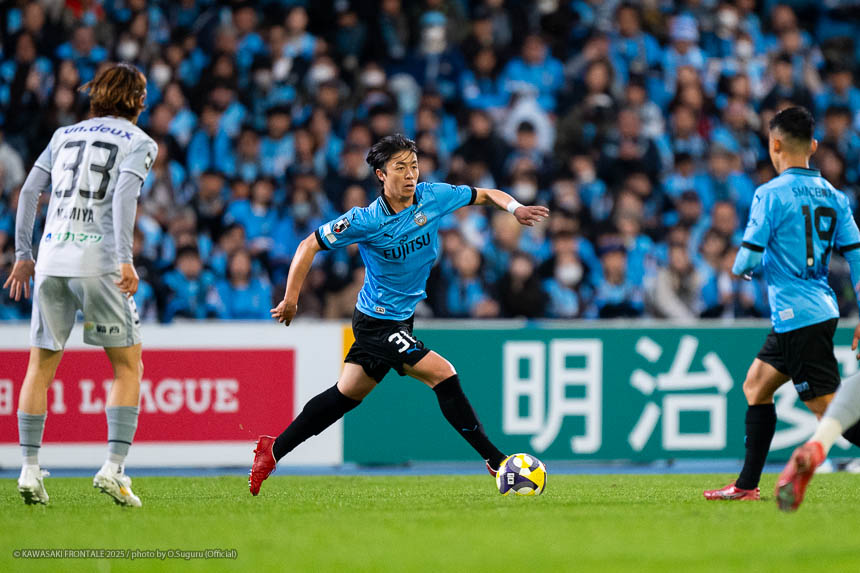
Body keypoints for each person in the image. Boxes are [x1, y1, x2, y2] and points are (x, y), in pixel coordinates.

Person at [249, 134, 549, 495]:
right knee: (443, 373)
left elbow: (483, 194)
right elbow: (309, 244)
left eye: (414, 166)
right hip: (376, 321)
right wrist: (291, 298)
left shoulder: (433, 197)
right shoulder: (366, 220)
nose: (410, 175)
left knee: (346, 394)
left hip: (401, 318)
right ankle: (497, 460)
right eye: (400, 167)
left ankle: (273, 449)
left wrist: (514, 208)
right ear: (381, 174)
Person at [4, 63, 157, 507]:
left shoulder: (63, 135)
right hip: (100, 261)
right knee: (128, 367)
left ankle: (28, 469)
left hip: (51, 258)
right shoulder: (140, 141)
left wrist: (23, 254)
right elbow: (124, 196)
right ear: (138, 100)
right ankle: (114, 468)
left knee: (39, 367)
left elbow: (28, 192)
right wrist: (126, 259)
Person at [703, 107, 860, 501]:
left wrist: (742, 267)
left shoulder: (769, 194)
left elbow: (748, 257)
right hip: (817, 309)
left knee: (829, 409)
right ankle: (746, 486)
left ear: (774, 145)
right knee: (756, 384)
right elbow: (857, 255)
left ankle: (747, 485)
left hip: (798, 315)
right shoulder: (835, 196)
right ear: (814, 146)